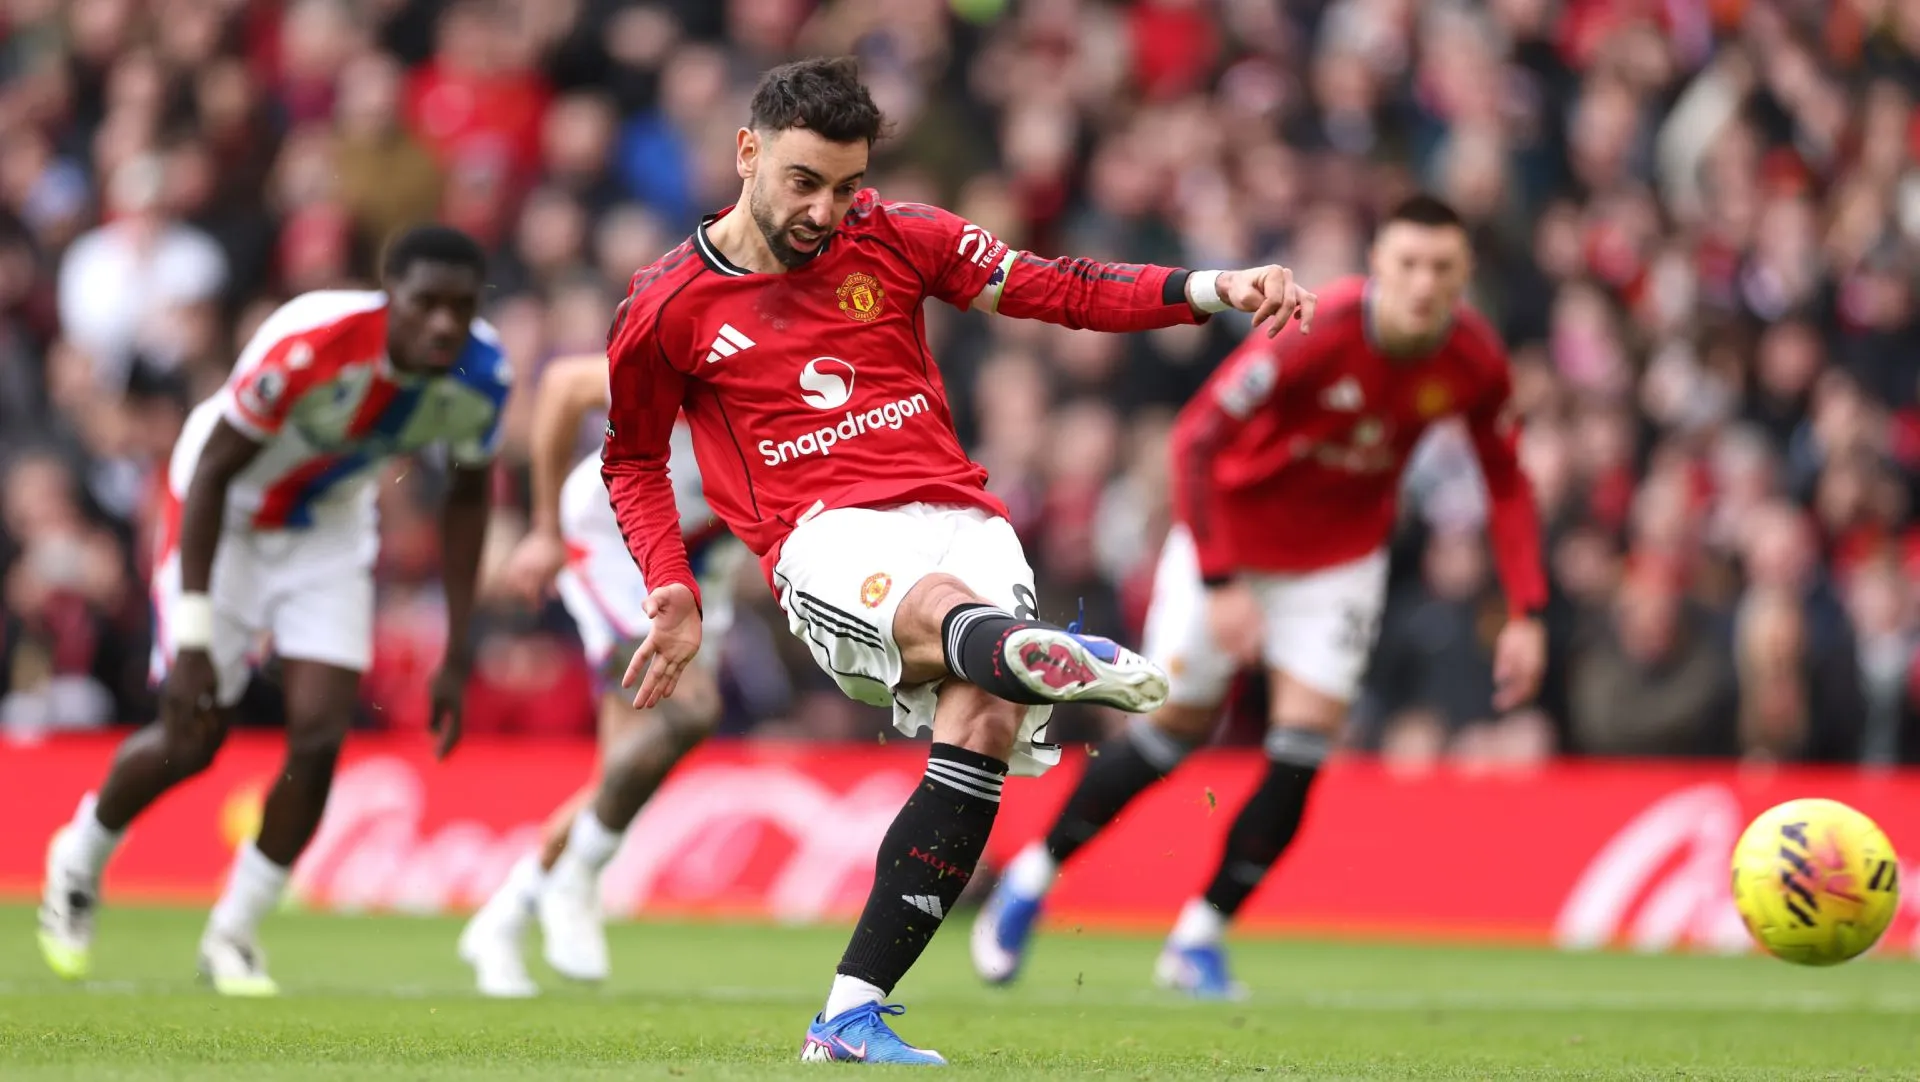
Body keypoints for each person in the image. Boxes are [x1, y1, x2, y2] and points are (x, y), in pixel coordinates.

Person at [601, 56, 1314, 1065]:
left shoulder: (897, 235)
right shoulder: (668, 303)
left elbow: (1058, 288)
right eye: (805, 182)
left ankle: (848, 1014)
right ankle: (1029, 650)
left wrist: (1209, 286)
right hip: (823, 535)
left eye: (846, 186)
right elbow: (631, 458)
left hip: (960, 512)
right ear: (748, 153)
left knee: (978, 721)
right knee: (946, 616)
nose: (826, 210)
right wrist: (671, 586)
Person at [972, 194, 1550, 999]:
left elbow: (1506, 479)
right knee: (1175, 730)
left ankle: (1199, 937)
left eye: (1441, 268)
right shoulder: (1318, 335)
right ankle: (1031, 877)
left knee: (1304, 745)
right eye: (1408, 265)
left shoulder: (1475, 360)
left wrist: (1527, 609)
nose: (1423, 284)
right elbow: (1196, 440)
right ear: (1376, 266)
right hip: (1231, 546)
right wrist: (1220, 582)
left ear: (1464, 276)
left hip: (1338, 564)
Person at [37, 226, 508, 996]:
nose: (445, 326)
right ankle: (80, 856)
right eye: (426, 306)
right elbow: (215, 471)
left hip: (326, 527)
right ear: (389, 297)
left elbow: (465, 500)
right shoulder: (311, 341)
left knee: (321, 737)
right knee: (194, 735)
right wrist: (189, 635)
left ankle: (234, 935)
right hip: (224, 513)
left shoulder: (484, 376)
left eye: (461, 308)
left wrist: (458, 647)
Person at [457, 353, 738, 997]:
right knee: (691, 710)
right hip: (617, 534)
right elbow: (561, 385)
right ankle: (574, 883)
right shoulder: (717, 358)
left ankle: (506, 914)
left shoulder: (826, 386)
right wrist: (545, 531)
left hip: (703, 557)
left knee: (624, 773)